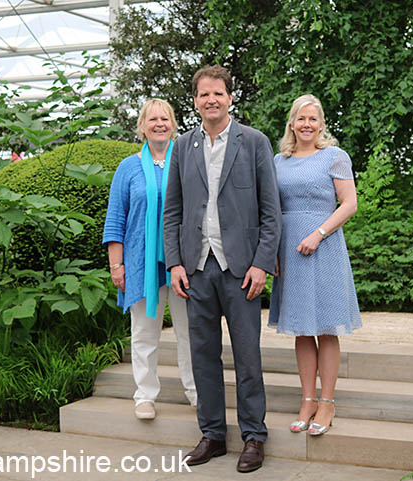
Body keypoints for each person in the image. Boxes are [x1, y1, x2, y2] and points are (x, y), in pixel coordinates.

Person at [163, 65, 281, 473]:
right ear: (195, 101)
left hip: (242, 269)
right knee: (203, 356)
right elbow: (172, 211)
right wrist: (175, 263)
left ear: (230, 98)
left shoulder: (254, 142)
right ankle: (212, 434)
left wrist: (262, 264)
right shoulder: (182, 146)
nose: (211, 100)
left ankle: (254, 436)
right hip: (196, 268)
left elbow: (271, 211)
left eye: (218, 93)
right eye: (203, 94)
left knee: (248, 357)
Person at [268, 94, 362, 436]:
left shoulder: (334, 157)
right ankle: (307, 400)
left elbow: (349, 203)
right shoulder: (278, 161)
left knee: (325, 327)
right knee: (301, 327)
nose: (307, 124)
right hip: (289, 249)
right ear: (292, 123)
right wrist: (272, 253)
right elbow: (271, 209)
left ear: (321, 124)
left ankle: (327, 402)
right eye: (301, 118)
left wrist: (318, 233)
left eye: (313, 119)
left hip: (324, 246)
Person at [102, 99, 196, 420]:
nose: (159, 124)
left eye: (165, 118)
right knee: (144, 333)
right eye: (152, 119)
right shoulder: (128, 167)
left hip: (184, 263)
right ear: (142, 126)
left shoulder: (187, 162)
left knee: (190, 332)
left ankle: (196, 393)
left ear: (173, 124)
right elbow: (116, 218)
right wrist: (117, 265)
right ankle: (144, 395)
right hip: (141, 263)